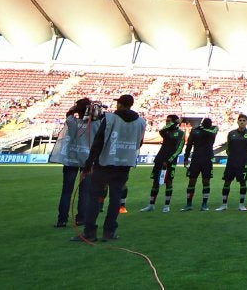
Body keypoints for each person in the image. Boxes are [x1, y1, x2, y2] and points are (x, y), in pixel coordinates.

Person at [71, 95, 146, 243]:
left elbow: (99, 141)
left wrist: (89, 162)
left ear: (120, 104)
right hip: (125, 164)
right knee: (116, 198)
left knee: (94, 197)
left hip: (105, 163)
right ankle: (109, 232)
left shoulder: (111, 118)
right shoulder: (141, 122)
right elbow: (139, 142)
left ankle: (90, 232)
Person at [52, 98, 94, 228]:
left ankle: (62, 220)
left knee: (66, 191)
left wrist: (74, 109)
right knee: (85, 191)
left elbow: (68, 114)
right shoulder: (95, 124)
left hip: (71, 159)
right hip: (87, 161)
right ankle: (81, 218)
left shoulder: (72, 121)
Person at [139, 114, 185, 213]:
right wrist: (172, 124)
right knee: (155, 182)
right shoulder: (166, 131)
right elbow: (161, 131)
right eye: (166, 121)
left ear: (174, 122)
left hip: (170, 161)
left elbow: (179, 149)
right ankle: (151, 205)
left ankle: (166, 206)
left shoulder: (181, 133)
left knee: (168, 182)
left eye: (169, 121)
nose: (167, 122)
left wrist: (169, 160)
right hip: (160, 159)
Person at [216, 114, 247, 211]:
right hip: (231, 162)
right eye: (240, 120)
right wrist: (232, 156)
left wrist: (245, 157)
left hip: (242, 163)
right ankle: (224, 204)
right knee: (227, 182)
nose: (242, 122)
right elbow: (228, 147)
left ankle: (241, 205)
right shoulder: (231, 133)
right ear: (237, 122)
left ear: (246, 122)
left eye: (244, 120)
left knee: (243, 183)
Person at [181, 118, 218, 211]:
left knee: (206, 182)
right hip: (196, 159)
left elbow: (212, 132)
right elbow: (189, 144)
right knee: (191, 181)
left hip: (207, 159)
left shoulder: (213, 129)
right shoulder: (195, 131)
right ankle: (189, 204)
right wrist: (186, 157)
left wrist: (201, 128)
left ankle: (204, 204)